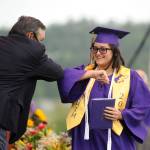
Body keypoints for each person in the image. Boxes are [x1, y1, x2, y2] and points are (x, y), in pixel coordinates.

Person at [57, 26, 150, 150]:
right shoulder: (86, 73)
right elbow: (64, 77)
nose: (98, 53)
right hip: (85, 142)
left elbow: (145, 106)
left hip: (116, 142)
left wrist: (122, 115)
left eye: (103, 49)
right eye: (94, 49)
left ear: (114, 51)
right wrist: (92, 74)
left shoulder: (130, 77)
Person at [0, 16, 63, 149]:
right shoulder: (32, 52)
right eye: (40, 41)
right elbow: (57, 73)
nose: (40, 45)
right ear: (30, 36)